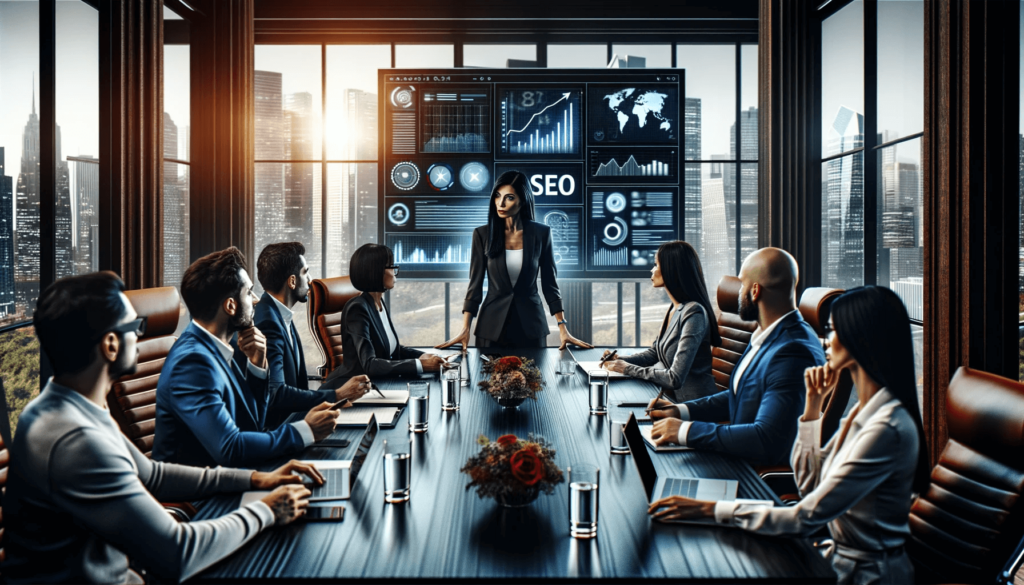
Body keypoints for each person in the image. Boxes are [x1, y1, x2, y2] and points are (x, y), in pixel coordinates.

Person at [3, 272, 323, 583]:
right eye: (136, 327)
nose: (142, 336)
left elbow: (153, 475)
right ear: (111, 345)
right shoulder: (75, 438)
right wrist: (267, 511)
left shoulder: (69, 407)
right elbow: (177, 552)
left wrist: (256, 478)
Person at [648, 286, 928, 585]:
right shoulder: (864, 411)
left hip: (866, 575)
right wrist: (810, 411)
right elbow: (808, 486)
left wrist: (710, 509)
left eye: (833, 330)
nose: (827, 340)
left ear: (860, 338)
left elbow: (805, 517)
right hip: (838, 560)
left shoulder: (886, 428)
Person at [153, 247, 357, 468]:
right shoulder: (192, 362)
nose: (257, 300)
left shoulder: (219, 347)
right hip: (203, 496)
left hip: (236, 474)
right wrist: (305, 431)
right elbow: (229, 448)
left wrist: (258, 366)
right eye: (249, 292)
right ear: (231, 306)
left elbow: (252, 426)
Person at [647, 247, 825, 466]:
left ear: (755, 291)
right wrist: (681, 411)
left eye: (742, 285)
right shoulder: (766, 334)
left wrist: (686, 431)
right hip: (732, 455)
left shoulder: (793, 353)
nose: (736, 293)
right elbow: (737, 395)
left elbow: (766, 439)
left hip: (750, 476)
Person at [437, 170, 591, 350]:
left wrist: (563, 327)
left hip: (531, 327)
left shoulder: (541, 234)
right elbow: (474, 285)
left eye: (509, 197)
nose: (500, 203)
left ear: (523, 200)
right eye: (497, 196)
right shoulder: (482, 235)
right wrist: (465, 329)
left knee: (534, 377)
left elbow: (550, 284)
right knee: (487, 378)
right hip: (491, 328)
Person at [255, 242, 371, 429]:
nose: (310, 279)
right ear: (292, 281)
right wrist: (338, 395)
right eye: (305, 272)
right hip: (283, 431)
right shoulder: (267, 323)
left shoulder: (278, 314)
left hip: (298, 418)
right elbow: (276, 394)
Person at [600, 241, 720, 403]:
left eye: (656, 265)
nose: (652, 269)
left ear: (671, 269)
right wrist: (620, 360)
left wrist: (628, 369)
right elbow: (655, 353)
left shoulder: (694, 313)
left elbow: (675, 378)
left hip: (694, 405)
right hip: (668, 398)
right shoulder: (675, 308)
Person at [322, 243, 447, 388]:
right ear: (376, 271)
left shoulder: (378, 302)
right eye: (391, 266)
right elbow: (370, 365)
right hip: (350, 388)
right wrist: (421, 365)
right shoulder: (357, 308)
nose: (395, 271)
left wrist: (424, 357)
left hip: (378, 384)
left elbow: (394, 351)